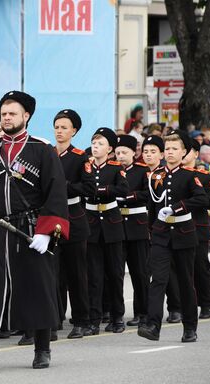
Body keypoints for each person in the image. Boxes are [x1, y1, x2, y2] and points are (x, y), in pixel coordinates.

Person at [0, 91, 69, 370]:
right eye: (3, 113)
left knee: (37, 289)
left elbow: (55, 192)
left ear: (26, 116)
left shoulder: (42, 150)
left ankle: (42, 349)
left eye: (12, 113)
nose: (6, 118)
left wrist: (47, 231)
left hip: (31, 231)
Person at [138, 130, 207, 343]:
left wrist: (178, 208)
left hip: (183, 233)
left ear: (184, 152)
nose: (170, 152)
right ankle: (153, 325)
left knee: (186, 281)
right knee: (157, 279)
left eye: (174, 149)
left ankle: (189, 327)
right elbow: (153, 204)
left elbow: (201, 199)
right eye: (167, 148)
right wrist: (152, 231)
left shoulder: (190, 175)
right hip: (161, 234)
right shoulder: (155, 176)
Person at [52, 109, 94, 339]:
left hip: (73, 217)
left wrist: (64, 185)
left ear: (74, 131)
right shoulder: (47, 154)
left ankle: (82, 320)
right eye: (57, 127)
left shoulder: (80, 157)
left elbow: (89, 188)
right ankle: (55, 318)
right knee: (53, 272)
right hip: (51, 217)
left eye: (64, 127)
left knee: (77, 273)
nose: (60, 131)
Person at [85, 128, 129, 335]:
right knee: (94, 275)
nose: (95, 146)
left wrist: (103, 191)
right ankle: (94, 319)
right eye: (94, 142)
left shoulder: (115, 167)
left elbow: (123, 189)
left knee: (115, 273)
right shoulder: (85, 167)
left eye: (100, 143)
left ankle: (117, 316)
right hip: (92, 222)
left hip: (111, 223)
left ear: (110, 149)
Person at [114, 135, 150, 327]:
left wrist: (128, 196)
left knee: (139, 272)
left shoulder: (142, 171)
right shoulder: (113, 170)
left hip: (137, 225)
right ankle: (116, 313)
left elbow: (148, 194)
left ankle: (142, 312)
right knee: (117, 272)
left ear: (133, 153)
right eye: (118, 152)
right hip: (117, 225)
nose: (120, 156)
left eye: (124, 153)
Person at [182, 140, 210, 319]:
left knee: (200, 267)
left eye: (185, 150)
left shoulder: (204, 176)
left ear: (196, 154)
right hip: (177, 228)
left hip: (197, 227)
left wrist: (197, 199)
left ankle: (205, 303)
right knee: (180, 269)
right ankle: (179, 306)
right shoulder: (171, 176)